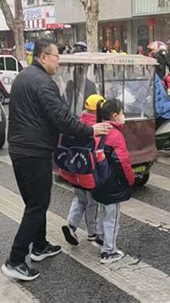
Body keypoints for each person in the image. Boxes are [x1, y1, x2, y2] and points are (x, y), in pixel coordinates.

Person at [2, 39, 111, 281]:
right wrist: (91, 130)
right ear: (43, 57)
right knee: (37, 205)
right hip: (34, 152)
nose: (58, 62)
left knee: (34, 202)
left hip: (20, 150)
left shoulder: (24, 76)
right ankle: (15, 260)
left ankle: (39, 246)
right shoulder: (44, 84)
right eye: (56, 57)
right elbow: (62, 119)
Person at [93, 99, 135, 264]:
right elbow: (123, 162)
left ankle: (100, 237)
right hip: (112, 183)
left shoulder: (97, 129)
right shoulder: (115, 135)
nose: (123, 116)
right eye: (122, 113)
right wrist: (130, 180)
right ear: (115, 115)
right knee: (112, 216)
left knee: (103, 211)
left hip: (97, 180)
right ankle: (108, 251)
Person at [61, 94, 106, 247]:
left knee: (79, 199)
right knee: (92, 203)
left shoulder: (77, 124)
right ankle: (92, 232)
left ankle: (71, 225)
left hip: (74, 172)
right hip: (90, 174)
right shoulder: (98, 128)